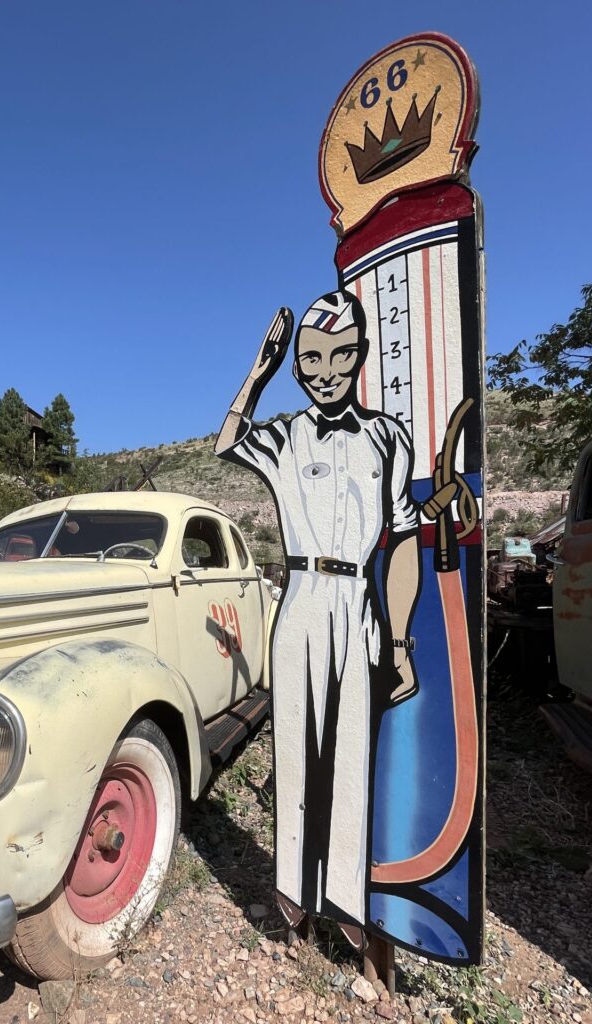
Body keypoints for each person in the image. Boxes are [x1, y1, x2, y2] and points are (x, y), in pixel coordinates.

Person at [215, 290, 421, 935]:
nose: (325, 370)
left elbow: (405, 536)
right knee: (299, 749)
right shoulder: (285, 436)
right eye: (310, 359)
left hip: (357, 596)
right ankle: (293, 889)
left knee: (351, 751)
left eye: (339, 355)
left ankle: (348, 899)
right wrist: (258, 373)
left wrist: (401, 642)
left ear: (359, 356)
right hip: (301, 599)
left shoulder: (388, 439)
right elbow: (226, 443)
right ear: (297, 365)